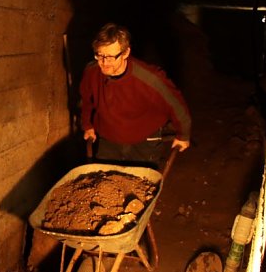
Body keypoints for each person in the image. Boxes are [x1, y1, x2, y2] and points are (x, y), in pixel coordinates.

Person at [79, 22, 191, 169]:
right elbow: (86, 99)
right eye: (100, 55)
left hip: (144, 139)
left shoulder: (150, 78)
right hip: (109, 138)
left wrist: (183, 135)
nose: (105, 63)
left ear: (126, 53)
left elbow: (176, 104)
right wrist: (87, 124)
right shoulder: (92, 72)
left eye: (112, 57)